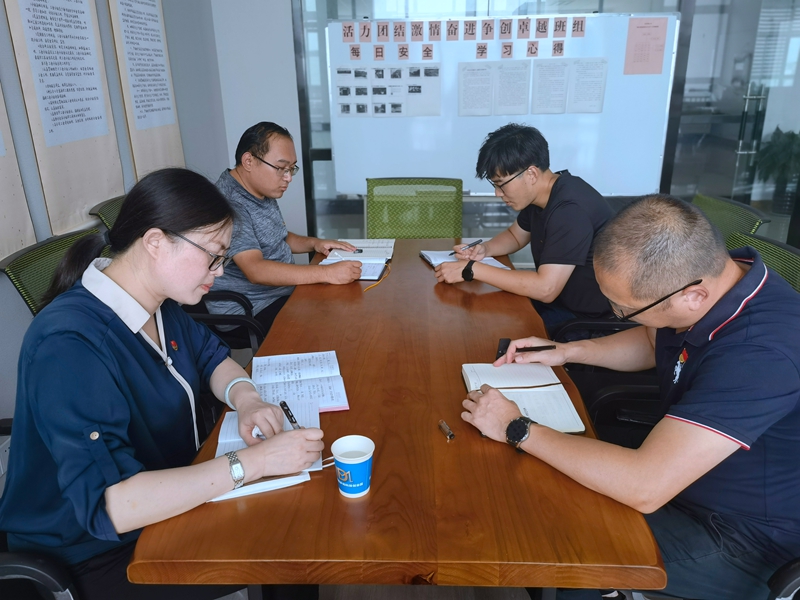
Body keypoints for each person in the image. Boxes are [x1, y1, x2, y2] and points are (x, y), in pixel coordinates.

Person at [0, 168, 324, 600]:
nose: (219, 272)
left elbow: (213, 358)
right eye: (213, 256)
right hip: (94, 552)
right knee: (287, 546)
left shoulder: (158, 302)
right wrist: (253, 463)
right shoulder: (68, 343)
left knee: (294, 519)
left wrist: (246, 399)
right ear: (155, 242)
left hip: (169, 493)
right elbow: (112, 505)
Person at [463, 195, 800, 599]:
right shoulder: (718, 277)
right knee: (532, 485)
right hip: (680, 474)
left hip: (740, 536)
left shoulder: (760, 354)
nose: (617, 314)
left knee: (559, 544)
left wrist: (516, 426)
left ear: (693, 295)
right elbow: (652, 338)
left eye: (623, 309)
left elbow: (645, 485)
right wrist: (568, 351)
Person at [434, 124, 614, 336]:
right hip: (562, 304)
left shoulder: (570, 210)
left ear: (531, 174)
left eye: (501, 184)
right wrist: (485, 249)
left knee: (485, 330)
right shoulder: (544, 194)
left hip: (588, 322)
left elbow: (546, 289)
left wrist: (472, 269)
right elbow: (515, 236)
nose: (497, 193)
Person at [207, 121, 361, 335]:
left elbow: (277, 237)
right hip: (251, 309)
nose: (288, 178)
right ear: (249, 161)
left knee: (345, 302)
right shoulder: (230, 205)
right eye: (281, 168)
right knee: (335, 319)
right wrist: (326, 273)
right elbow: (255, 270)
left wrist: (315, 243)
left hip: (278, 294)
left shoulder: (258, 187)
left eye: (291, 169)